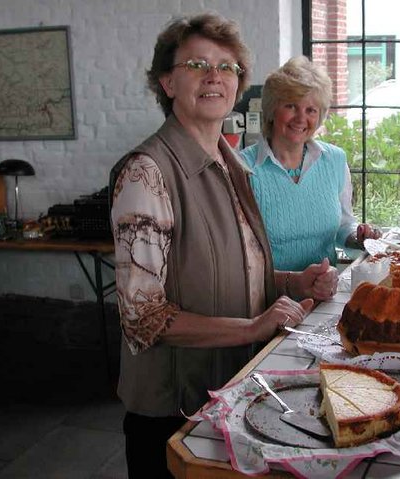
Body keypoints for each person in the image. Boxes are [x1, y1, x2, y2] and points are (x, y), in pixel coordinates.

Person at [108, 13, 338, 478]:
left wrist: (293, 282)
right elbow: (142, 318)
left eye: (227, 67)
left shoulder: (231, 165)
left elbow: (233, 268)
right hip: (173, 412)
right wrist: (253, 327)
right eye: (196, 64)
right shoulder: (146, 173)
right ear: (168, 82)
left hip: (229, 387)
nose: (214, 75)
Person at [240, 56, 381, 272]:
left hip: (324, 297)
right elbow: (238, 256)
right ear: (271, 110)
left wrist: (359, 238)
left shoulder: (334, 160)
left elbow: (343, 225)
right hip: (268, 301)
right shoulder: (242, 167)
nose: (300, 118)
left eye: (311, 110)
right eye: (291, 106)